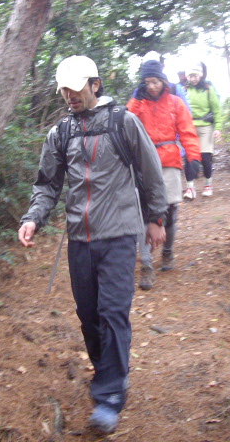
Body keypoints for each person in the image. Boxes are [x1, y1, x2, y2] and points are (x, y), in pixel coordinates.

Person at [18, 55, 168, 434]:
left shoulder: (123, 122)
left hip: (119, 234)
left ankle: (110, 396)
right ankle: (109, 372)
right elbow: (47, 184)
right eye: (64, 90)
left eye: (76, 88)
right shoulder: (61, 133)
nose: (70, 95)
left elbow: (151, 170)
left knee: (113, 312)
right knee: (89, 316)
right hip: (79, 239)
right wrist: (33, 218)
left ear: (95, 85)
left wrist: (156, 218)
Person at [126, 60, 201, 290]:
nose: (151, 86)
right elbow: (125, 124)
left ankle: (167, 252)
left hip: (169, 159)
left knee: (169, 210)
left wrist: (193, 158)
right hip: (143, 161)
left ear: (163, 80)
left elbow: (187, 131)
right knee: (143, 212)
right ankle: (146, 264)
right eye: (147, 82)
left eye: (155, 81)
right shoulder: (139, 103)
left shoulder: (175, 102)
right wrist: (137, 100)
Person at [183, 62, 222, 199]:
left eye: (195, 76)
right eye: (190, 76)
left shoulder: (208, 88)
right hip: (190, 127)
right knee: (189, 158)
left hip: (206, 126)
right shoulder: (185, 89)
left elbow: (216, 109)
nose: (193, 79)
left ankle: (208, 185)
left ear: (200, 75)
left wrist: (218, 128)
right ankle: (190, 188)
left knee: (205, 157)